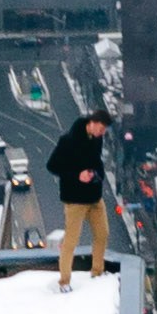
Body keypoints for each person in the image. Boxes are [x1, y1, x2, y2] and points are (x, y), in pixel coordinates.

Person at [49, 105, 111, 289]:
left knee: (102, 233)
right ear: (91, 123)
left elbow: (97, 162)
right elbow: (53, 165)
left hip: (94, 196)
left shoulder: (97, 140)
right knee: (71, 240)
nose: (102, 133)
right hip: (75, 199)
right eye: (101, 129)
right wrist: (77, 175)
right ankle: (64, 281)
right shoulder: (68, 141)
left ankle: (97, 271)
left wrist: (97, 175)